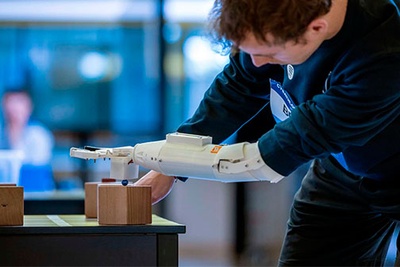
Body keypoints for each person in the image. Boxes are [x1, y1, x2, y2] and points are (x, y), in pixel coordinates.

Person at [135, 0, 400, 265]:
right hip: (344, 169)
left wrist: (182, 161)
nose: (258, 63)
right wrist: (170, 162)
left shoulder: (383, 51)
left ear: (316, 28)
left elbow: (284, 146)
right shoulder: (275, 20)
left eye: (270, 54)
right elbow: (240, 85)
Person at [0, 88, 55, 191]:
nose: (14, 108)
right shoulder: (1, 133)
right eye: (10, 103)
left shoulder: (39, 135)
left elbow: (37, 169)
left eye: (19, 103)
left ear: (29, 107)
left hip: (35, 193)